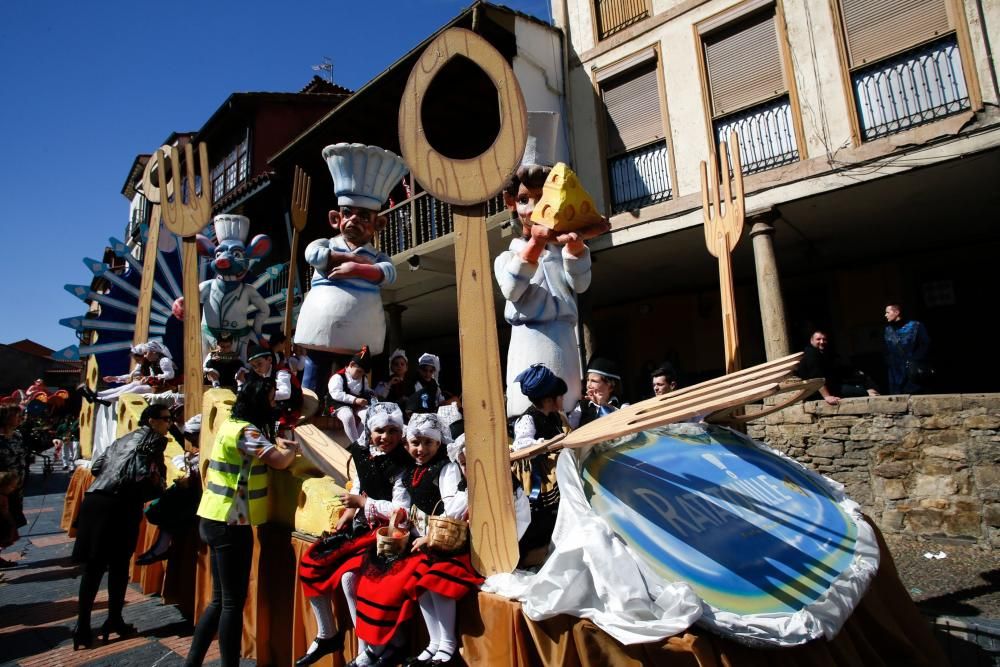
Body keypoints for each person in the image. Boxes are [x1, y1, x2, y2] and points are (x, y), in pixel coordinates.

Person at [494, 112, 609, 418]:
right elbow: (512, 288)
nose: (532, 209)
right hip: (527, 345)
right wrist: (536, 244)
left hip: (565, 346)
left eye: (541, 198)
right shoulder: (507, 257)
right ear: (510, 202)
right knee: (528, 421)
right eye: (523, 200)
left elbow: (581, 285)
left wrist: (575, 247)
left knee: (568, 414)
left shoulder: (561, 255)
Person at [351, 413, 482, 667]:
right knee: (416, 582)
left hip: (446, 543)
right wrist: (402, 520)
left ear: (438, 444)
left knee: (434, 580)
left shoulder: (445, 468)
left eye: (427, 443)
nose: (420, 449)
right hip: (421, 541)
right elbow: (406, 507)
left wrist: (430, 535)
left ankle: (447, 645)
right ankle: (433, 643)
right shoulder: (412, 471)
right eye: (415, 443)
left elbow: (454, 505)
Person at [185, 377, 300, 667]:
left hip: (212, 517)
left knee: (219, 600)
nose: (274, 404)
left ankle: (193, 661)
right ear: (260, 402)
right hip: (230, 524)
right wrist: (292, 449)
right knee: (232, 604)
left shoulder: (230, 425)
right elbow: (279, 461)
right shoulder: (247, 432)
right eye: (272, 399)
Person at [296, 401, 412, 667]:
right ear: (370, 431)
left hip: (386, 531)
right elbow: (361, 482)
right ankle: (327, 633)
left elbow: (401, 508)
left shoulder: (401, 464)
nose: (386, 437)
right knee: (313, 560)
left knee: (350, 578)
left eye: (393, 430)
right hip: (361, 525)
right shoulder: (361, 452)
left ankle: (368, 646)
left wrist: (364, 505)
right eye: (380, 430)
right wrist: (349, 512)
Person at [294, 143, 407, 392]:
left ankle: (354, 409)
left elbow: (388, 274)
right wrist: (352, 261)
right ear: (336, 218)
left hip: (361, 331)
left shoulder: (377, 255)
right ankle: (310, 408)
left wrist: (358, 269)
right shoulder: (326, 244)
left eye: (364, 216)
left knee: (355, 378)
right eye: (348, 213)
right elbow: (314, 254)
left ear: (378, 223)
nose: (354, 219)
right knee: (315, 374)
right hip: (321, 328)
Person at [71, 404, 170, 649]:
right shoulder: (155, 441)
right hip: (120, 504)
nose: (169, 423)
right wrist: (160, 486)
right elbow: (143, 474)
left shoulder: (121, 439)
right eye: (166, 419)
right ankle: (113, 619)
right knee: (118, 565)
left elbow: (96, 468)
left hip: (94, 499)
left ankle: (83, 626)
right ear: (152, 421)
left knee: (93, 568)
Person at [510, 364, 569, 565]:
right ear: (547, 399)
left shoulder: (556, 417)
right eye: (559, 395)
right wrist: (546, 444)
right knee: (541, 519)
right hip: (540, 479)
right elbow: (521, 444)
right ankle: (530, 558)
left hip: (557, 473)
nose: (563, 400)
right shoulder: (528, 419)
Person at [136, 415, 203, 566]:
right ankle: (161, 547)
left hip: (199, 501)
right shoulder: (196, 452)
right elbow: (179, 459)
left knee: (173, 504)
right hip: (189, 495)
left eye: (193, 436)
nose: (191, 440)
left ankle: (161, 548)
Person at [798, 330, 879, 405]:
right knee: (862, 392)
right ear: (811, 341)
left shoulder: (823, 354)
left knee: (862, 382)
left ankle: (869, 391)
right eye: (818, 339)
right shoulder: (811, 354)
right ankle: (868, 393)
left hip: (831, 386)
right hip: (816, 392)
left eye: (824, 339)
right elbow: (816, 377)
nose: (822, 342)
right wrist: (827, 396)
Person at [0, 401, 28, 569]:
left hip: (16, 487)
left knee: (11, 522)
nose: (20, 418)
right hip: (2, 488)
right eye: (16, 415)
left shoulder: (17, 436)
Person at [328, 346, 376, 443]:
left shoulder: (363, 379)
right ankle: (356, 444)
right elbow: (336, 394)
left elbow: (366, 390)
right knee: (348, 416)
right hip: (339, 404)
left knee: (369, 415)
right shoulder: (338, 377)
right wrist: (354, 400)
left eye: (362, 373)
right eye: (359, 371)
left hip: (357, 405)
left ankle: (361, 442)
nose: (360, 375)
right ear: (351, 364)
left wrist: (372, 394)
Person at [884, 303, 932, 394]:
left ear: (897, 312)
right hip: (895, 373)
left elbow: (925, 344)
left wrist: (915, 359)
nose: (885, 315)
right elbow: (886, 349)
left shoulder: (916, 326)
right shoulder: (888, 329)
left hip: (912, 370)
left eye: (887, 312)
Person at [570, 358, 627, 428]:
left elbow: (627, 422)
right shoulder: (582, 406)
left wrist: (604, 405)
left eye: (594, 381)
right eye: (588, 380)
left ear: (610, 386)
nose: (588, 385)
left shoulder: (622, 405)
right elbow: (570, 427)